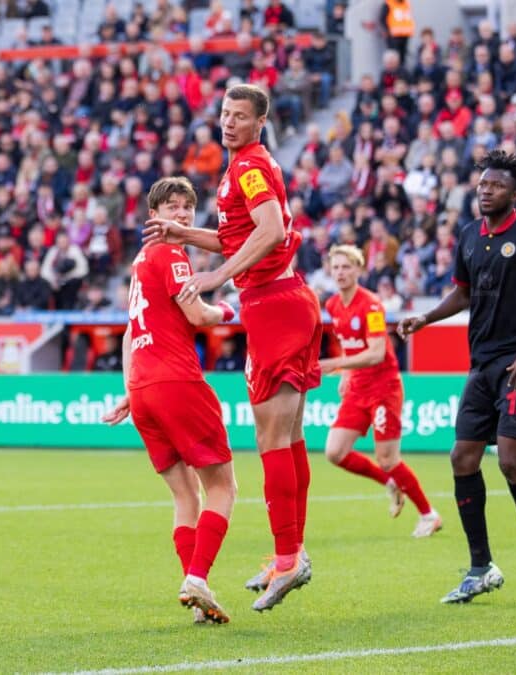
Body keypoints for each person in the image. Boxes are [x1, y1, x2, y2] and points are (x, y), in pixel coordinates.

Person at [143, 84, 321, 612]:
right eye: (225, 114)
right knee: (287, 436)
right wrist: (186, 233)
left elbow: (267, 232)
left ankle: (288, 559)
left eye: (240, 116)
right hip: (284, 299)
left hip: (272, 303)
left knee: (271, 437)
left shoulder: (249, 166)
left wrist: (218, 276)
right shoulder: (246, 166)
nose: (229, 123)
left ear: (259, 122)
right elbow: (241, 234)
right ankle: (290, 553)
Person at [399, 150, 516, 604]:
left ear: (515, 193)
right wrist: (426, 318)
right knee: (462, 457)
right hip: (481, 366)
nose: (484, 190)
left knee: (510, 460)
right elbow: (462, 294)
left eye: (494, 185)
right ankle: (481, 568)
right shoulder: (468, 236)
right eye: (481, 185)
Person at [102, 177, 238, 625]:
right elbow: (197, 314)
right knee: (223, 486)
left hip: (144, 390)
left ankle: (194, 588)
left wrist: (129, 389)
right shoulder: (170, 253)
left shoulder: (140, 262)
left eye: (187, 207)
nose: (181, 214)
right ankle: (197, 576)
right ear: (153, 216)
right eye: (172, 207)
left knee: (185, 495)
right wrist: (227, 312)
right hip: (177, 382)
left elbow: (127, 335)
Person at [320, 245, 441, 537]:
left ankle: (428, 514)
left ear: (358, 270)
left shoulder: (372, 305)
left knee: (388, 458)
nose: (340, 273)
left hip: (383, 388)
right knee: (335, 452)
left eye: (346, 267)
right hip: (357, 387)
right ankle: (389, 482)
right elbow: (352, 344)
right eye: (335, 267)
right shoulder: (334, 305)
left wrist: (337, 365)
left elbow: (375, 353)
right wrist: (347, 372)